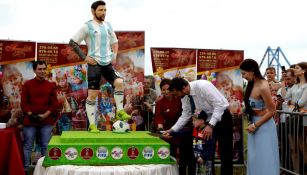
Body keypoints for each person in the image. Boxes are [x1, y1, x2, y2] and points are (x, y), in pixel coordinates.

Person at [69, 0, 130, 132]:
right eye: (101, 10)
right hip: (94, 63)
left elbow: (114, 42)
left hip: (107, 63)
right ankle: (92, 125)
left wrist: (114, 55)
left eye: (105, 10)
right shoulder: (87, 26)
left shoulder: (108, 25)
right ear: (93, 11)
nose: (103, 13)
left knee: (119, 82)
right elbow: (73, 42)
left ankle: (120, 111)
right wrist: (85, 57)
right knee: (93, 94)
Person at [164, 77, 233, 175]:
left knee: (225, 153)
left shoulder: (203, 86)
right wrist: (172, 130)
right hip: (206, 122)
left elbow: (220, 105)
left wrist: (211, 125)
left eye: (177, 93)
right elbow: (186, 114)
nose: (177, 96)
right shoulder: (185, 96)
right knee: (207, 154)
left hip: (222, 118)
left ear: (183, 87)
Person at [240, 58, 279, 175]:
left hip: (263, 126)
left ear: (252, 70)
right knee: (254, 157)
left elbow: (272, 111)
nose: (243, 76)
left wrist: (256, 125)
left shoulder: (263, 86)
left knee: (265, 158)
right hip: (254, 125)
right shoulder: (251, 84)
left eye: (244, 73)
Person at [21, 61, 59, 175]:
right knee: (28, 146)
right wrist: (30, 114)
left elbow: (54, 104)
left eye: (44, 69)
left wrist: (45, 115)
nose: (42, 71)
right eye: (39, 69)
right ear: (34, 70)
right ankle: (25, 170)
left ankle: (44, 170)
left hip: (46, 121)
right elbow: (24, 102)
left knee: (45, 146)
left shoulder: (50, 85)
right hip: (30, 121)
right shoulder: (27, 85)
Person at [154, 78, 182, 158]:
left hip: (179, 129)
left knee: (181, 157)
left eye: (168, 89)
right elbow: (159, 117)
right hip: (166, 131)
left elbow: (183, 116)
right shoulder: (159, 102)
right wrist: (161, 131)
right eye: (163, 90)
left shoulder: (179, 99)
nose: (166, 92)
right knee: (168, 155)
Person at [192, 110, 215, 175]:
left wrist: (203, 157)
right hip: (197, 159)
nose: (192, 122)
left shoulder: (207, 132)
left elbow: (210, 147)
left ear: (202, 121)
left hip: (205, 160)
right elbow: (183, 133)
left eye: (194, 120)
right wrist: (171, 133)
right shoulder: (194, 130)